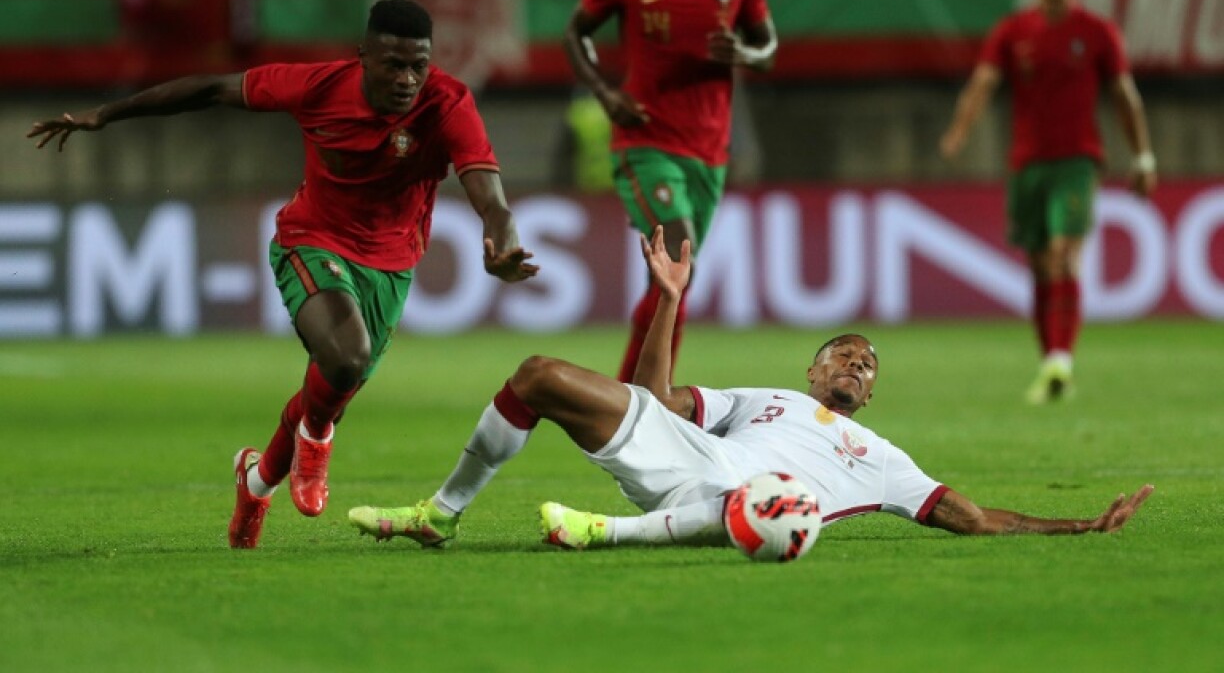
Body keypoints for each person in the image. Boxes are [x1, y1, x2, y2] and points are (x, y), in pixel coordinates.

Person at [27, 0, 540, 549]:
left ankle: (256, 480)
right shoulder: (317, 86)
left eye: (419, 65)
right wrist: (107, 114)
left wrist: (502, 244)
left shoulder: (447, 102)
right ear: (363, 55)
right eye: (394, 64)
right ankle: (316, 440)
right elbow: (211, 89)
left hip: (392, 265)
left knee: (334, 377)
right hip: (311, 240)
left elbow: (491, 197)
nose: (407, 79)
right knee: (345, 358)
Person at [347, 227, 1153, 552]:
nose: (855, 366)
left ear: (870, 397)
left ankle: (606, 534)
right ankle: (439, 514)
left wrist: (1082, 524)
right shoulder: (762, 398)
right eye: (843, 355)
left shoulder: (881, 458)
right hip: (691, 453)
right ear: (812, 372)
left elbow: (971, 517)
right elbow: (655, 398)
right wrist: (670, 296)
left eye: (868, 366)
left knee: (773, 498)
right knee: (537, 375)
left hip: (754, 498)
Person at [564, 0, 777, 384]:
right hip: (645, 141)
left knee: (671, 283)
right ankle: (645, 401)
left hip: (709, 150)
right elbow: (577, 34)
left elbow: (767, 48)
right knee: (679, 267)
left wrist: (745, 52)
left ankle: (629, 398)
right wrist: (605, 92)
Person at [940, 0, 1157, 405]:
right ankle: (1049, 364)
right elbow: (982, 84)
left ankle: (1061, 358)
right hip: (1026, 166)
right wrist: (959, 130)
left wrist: (1143, 156)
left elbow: (1124, 95)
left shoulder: (1097, 32)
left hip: (1078, 161)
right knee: (1039, 265)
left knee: (1063, 255)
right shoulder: (1013, 32)